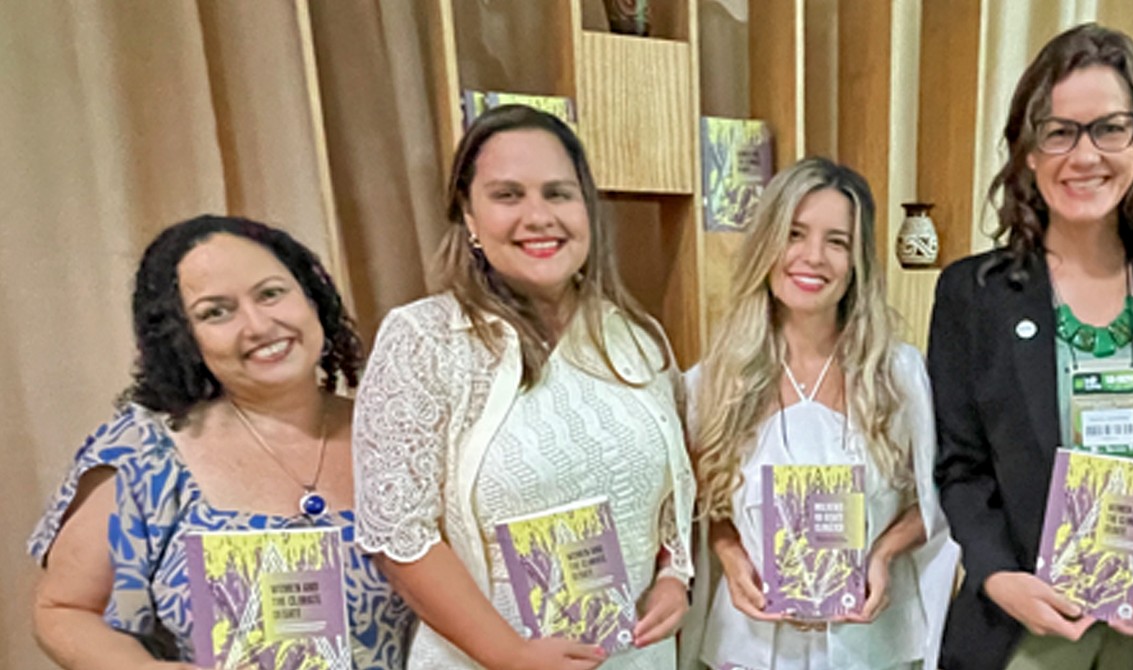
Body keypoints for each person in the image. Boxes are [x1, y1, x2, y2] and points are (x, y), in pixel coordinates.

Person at [927, 23, 1133, 670]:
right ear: (1027, 152)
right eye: (1057, 131)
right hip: (1018, 631)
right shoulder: (972, 295)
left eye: (1109, 128)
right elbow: (960, 464)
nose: (1083, 155)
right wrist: (998, 576)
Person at [351, 104, 695, 670]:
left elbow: (673, 494)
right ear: (468, 216)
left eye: (558, 193)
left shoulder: (637, 338)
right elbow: (400, 536)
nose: (539, 216)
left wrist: (673, 577)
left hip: (632, 656)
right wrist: (508, 653)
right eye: (508, 195)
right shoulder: (424, 341)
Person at [28, 215, 412, 669]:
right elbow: (65, 611)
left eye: (271, 294)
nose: (258, 325)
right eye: (216, 312)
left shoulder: (399, 432)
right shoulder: (143, 456)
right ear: (184, 339)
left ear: (312, 299)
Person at [678, 157, 961, 670]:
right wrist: (729, 553)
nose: (813, 257)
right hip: (750, 646)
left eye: (837, 241)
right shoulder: (710, 382)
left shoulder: (898, 376)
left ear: (858, 261)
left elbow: (935, 497)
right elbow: (705, 506)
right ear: (767, 244)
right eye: (795, 234)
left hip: (871, 645)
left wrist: (884, 553)